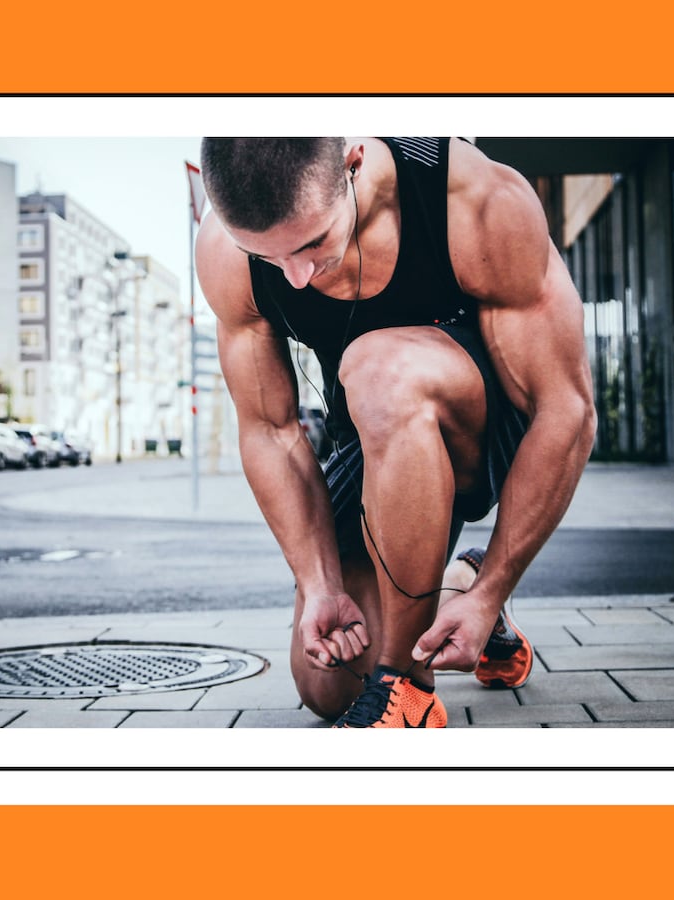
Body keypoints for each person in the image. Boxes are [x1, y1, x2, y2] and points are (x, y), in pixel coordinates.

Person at [195, 137, 595, 727]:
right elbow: (270, 429)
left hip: (488, 430)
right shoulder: (227, 251)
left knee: (379, 367)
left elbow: (566, 409)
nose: (296, 277)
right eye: (269, 257)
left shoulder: (471, 197)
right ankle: (456, 581)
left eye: (311, 243)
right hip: (373, 436)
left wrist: (497, 587)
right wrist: (320, 582)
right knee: (327, 685)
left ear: (352, 165)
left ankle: (409, 688)